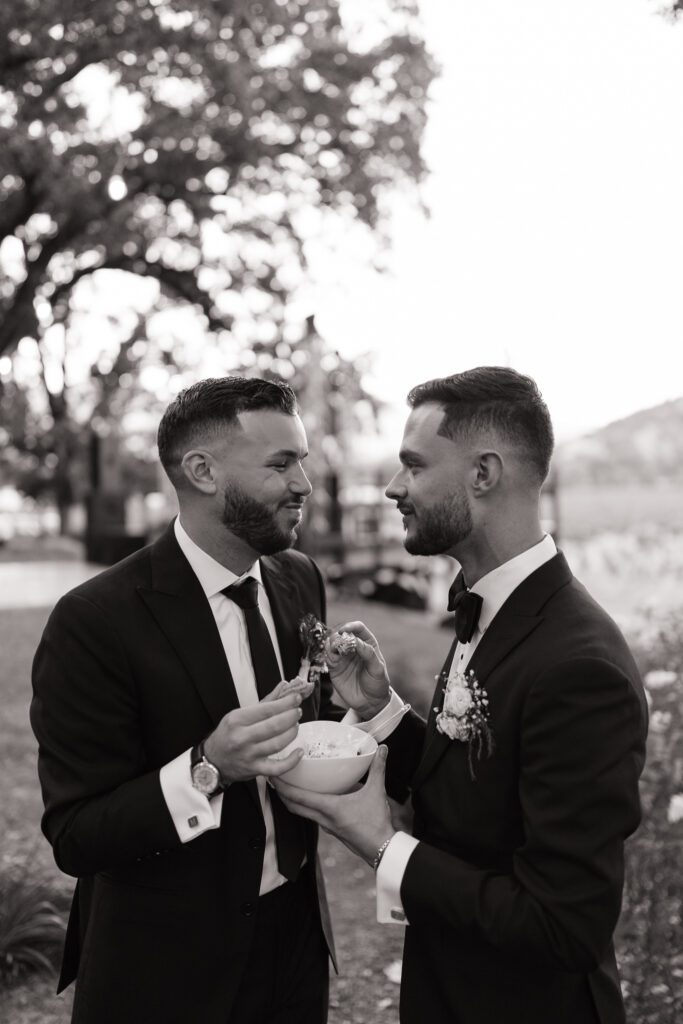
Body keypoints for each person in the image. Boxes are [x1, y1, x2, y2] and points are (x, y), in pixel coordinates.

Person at [274, 366, 648, 1024]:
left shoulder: (578, 666)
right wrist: (385, 711)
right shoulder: (496, 610)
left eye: (412, 466)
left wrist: (381, 846)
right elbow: (482, 787)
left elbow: (562, 926)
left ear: (482, 474)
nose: (394, 488)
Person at [30, 376, 340, 1024]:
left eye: (302, 461)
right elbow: (77, 835)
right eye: (281, 463)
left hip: (295, 944)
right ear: (202, 471)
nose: (303, 485)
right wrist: (208, 767)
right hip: (167, 973)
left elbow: (313, 728)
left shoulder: (299, 579)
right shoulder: (95, 621)